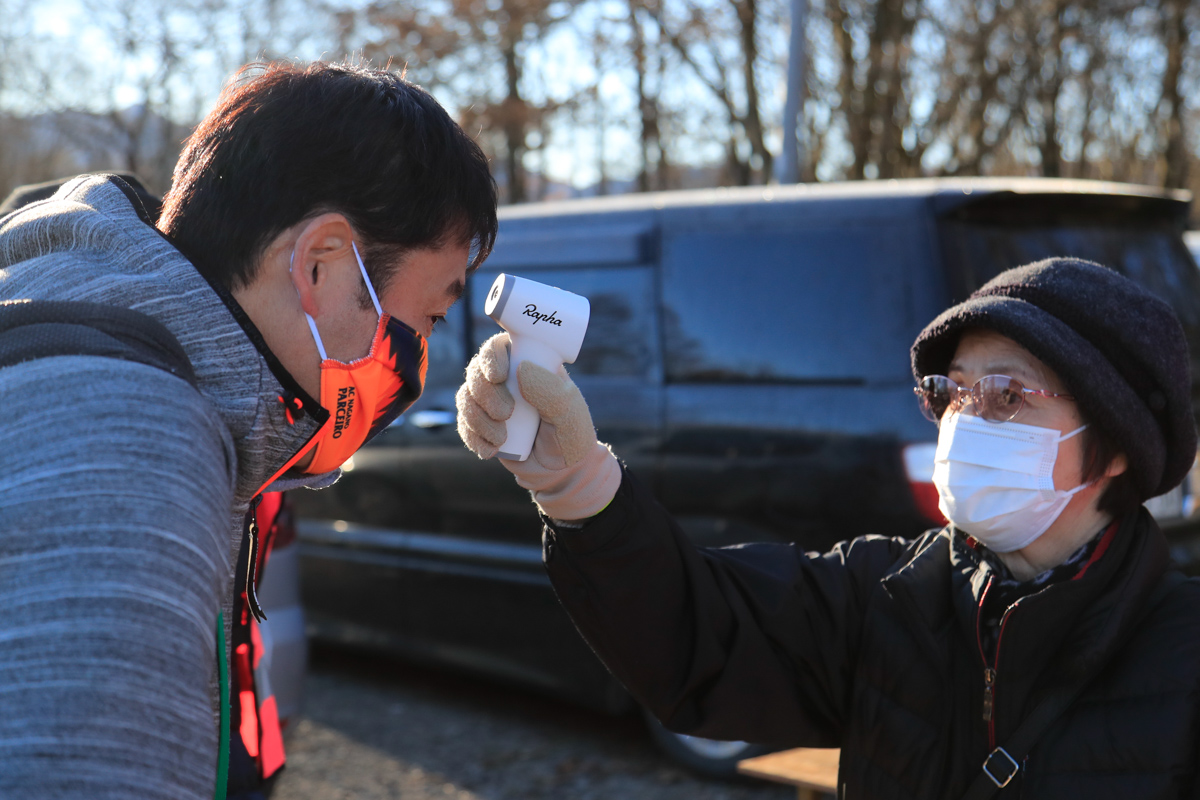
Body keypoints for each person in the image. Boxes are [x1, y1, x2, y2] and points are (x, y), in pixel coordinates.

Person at [457, 257, 1200, 797]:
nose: (965, 422)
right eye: (952, 392)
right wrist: (578, 482)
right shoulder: (890, 595)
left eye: (1006, 395)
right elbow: (699, 632)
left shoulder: (1182, 655)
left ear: (1115, 446)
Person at [0, 60, 496, 799]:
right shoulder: (134, 432)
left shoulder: (147, 358)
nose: (411, 360)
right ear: (321, 264)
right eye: (425, 319)